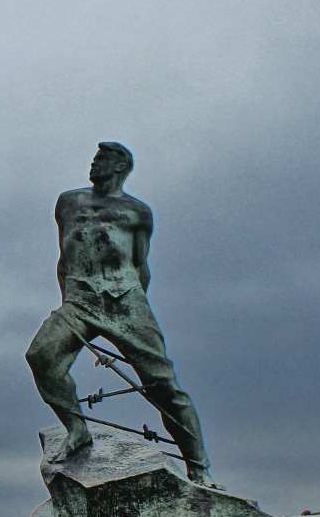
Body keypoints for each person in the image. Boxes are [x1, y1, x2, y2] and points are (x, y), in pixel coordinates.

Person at [26, 142, 213, 485]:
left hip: (125, 300)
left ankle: (198, 467)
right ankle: (77, 429)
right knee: (42, 356)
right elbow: (64, 257)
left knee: (162, 385)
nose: (93, 164)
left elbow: (141, 266)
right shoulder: (69, 202)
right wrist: (71, 298)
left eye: (101, 159)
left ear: (121, 166)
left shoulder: (137, 212)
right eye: (94, 158)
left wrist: (131, 307)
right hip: (80, 299)